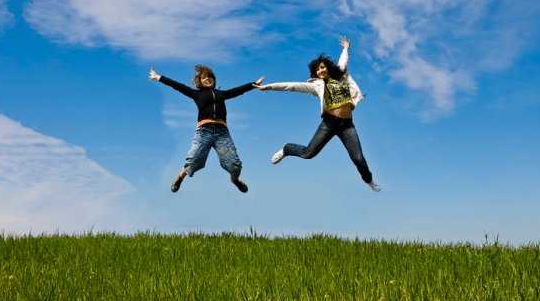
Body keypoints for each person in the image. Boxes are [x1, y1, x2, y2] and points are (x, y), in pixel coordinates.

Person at [253, 37, 381, 192]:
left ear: (327, 66)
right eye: (317, 70)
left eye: (322, 67)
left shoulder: (341, 76)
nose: (320, 71)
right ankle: (287, 149)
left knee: (358, 159)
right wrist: (268, 87)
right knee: (308, 154)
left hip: (347, 124)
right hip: (330, 122)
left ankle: (368, 180)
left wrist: (346, 49)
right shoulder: (318, 86)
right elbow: (292, 86)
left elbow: (343, 61)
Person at [150, 65, 264, 193]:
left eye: (210, 77)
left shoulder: (221, 94)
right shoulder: (196, 94)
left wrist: (253, 84)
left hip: (222, 133)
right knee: (193, 159)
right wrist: (158, 77)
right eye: (204, 78)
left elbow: (237, 91)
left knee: (235, 164)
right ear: (200, 81)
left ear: (213, 80)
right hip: (204, 131)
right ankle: (179, 178)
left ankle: (235, 180)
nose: (208, 79)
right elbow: (177, 85)